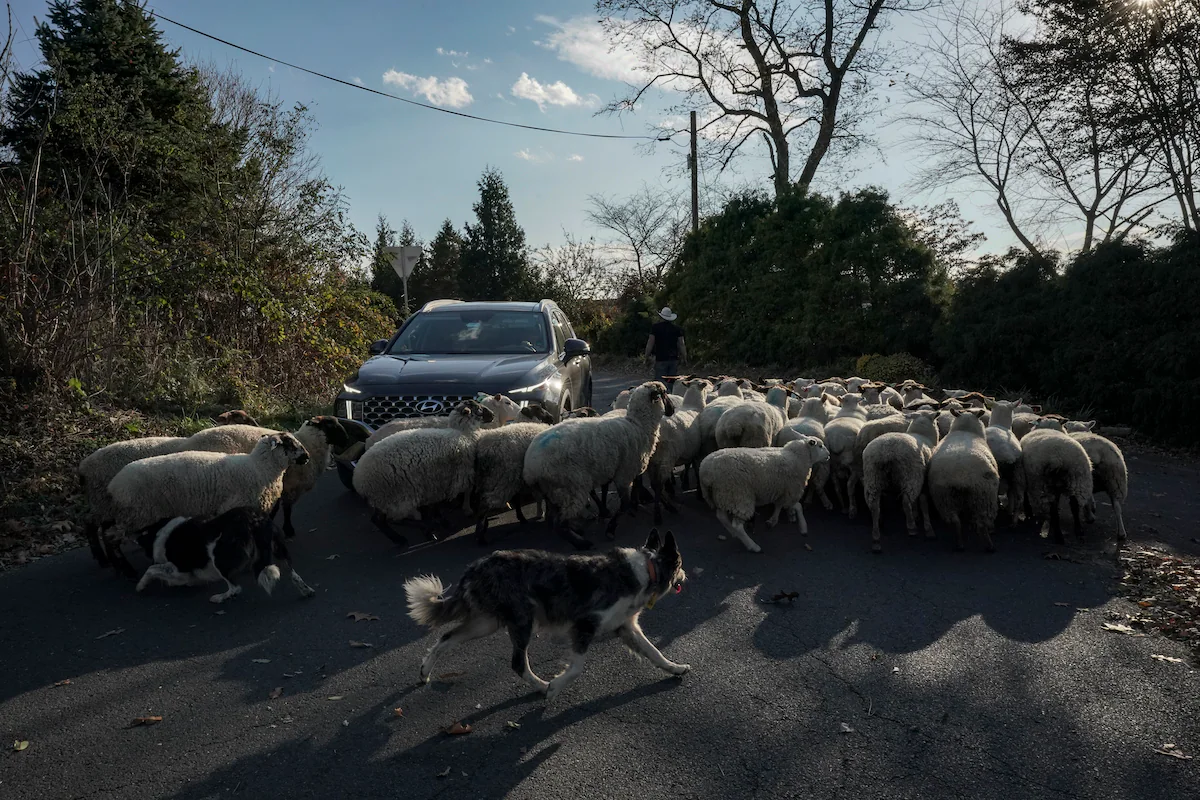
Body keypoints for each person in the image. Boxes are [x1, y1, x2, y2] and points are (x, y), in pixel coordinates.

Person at [645, 306, 686, 385]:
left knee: (660, 382)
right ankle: (670, 395)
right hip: (673, 359)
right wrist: (684, 357)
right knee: (671, 382)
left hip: (661, 358)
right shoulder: (677, 329)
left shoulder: (655, 328)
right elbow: (681, 344)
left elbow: (650, 342)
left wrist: (646, 356)